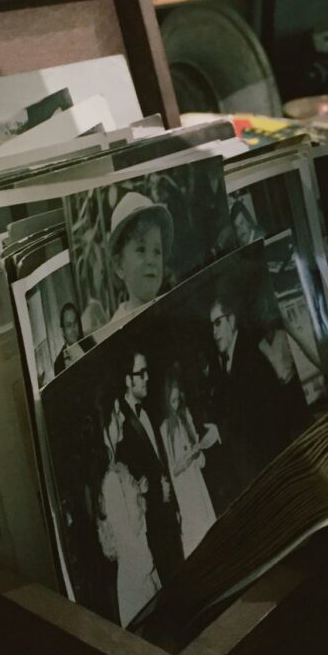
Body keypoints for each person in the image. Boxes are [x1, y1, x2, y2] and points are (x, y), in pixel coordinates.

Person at [206, 291, 310, 512]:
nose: (214, 333)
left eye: (217, 323)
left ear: (232, 320)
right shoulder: (231, 358)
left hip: (270, 463)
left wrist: (221, 432)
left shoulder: (249, 355)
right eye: (211, 326)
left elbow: (256, 414)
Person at [117, 347, 184, 584]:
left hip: (167, 517)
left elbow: (161, 464)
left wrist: (174, 506)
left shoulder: (147, 412)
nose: (147, 377)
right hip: (153, 526)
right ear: (127, 380)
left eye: (147, 372)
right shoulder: (122, 427)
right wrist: (159, 493)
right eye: (140, 373)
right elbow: (133, 485)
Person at [96, 389, 159, 626]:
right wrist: (149, 571)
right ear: (105, 427)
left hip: (141, 568)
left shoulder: (117, 471)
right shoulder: (110, 480)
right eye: (115, 414)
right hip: (137, 576)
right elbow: (127, 541)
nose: (122, 417)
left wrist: (137, 492)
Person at [160, 366, 218, 558]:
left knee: (211, 530)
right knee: (196, 540)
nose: (176, 405)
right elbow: (173, 470)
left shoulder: (187, 418)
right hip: (185, 494)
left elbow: (202, 462)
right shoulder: (164, 429)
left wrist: (199, 451)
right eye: (172, 401)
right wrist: (185, 460)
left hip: (198, 486)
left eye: (179, 400)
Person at [108, 191, 173, 322]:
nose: (151, 261)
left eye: (157, 251)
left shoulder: (172, 309)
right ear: (119, 265)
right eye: (141, 249)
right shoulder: (118, 327)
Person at [53, 301, 83, 376]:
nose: (73, 328)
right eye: (69, 325)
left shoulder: (90, 343)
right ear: (63, 331)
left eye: (75, 322)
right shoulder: (59, 364)